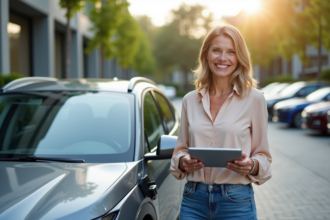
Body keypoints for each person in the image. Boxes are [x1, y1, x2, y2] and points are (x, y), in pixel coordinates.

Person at [170, 24, 272, 220]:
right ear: (206, 54)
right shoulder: (189, 100)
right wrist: (183, 162)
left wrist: (251, 165)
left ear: (239, 57)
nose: (223, 58)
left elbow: (264, 157)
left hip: (236, 202)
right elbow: (180, 151)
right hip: (193, 200)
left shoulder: (255, 99)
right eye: (217, 50)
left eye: (231, 52)